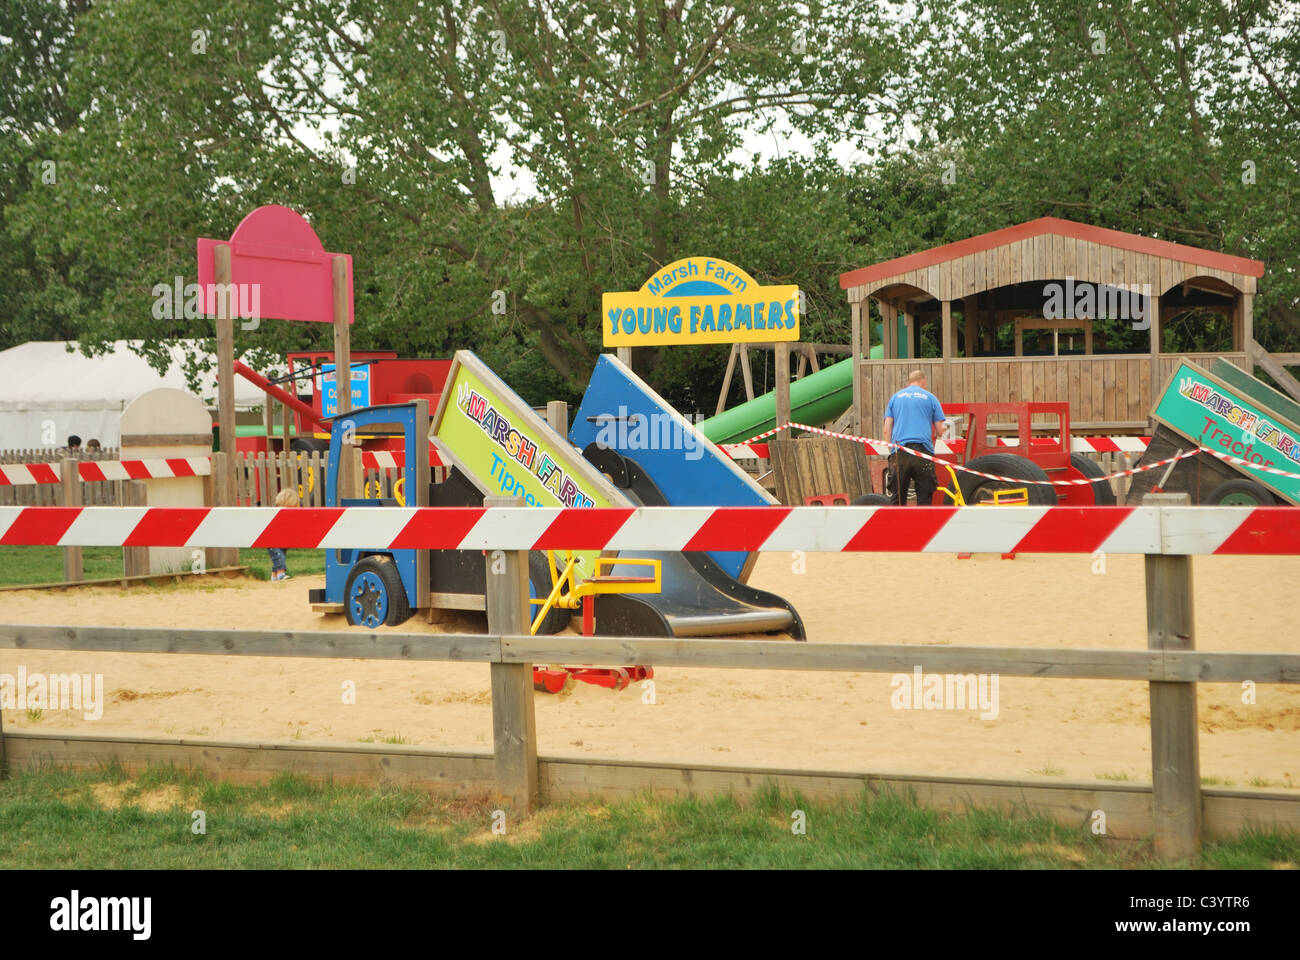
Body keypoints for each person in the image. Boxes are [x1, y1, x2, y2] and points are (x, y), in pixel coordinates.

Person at [882, 371, 946, 506]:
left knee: (898, 497)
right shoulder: (930, 398)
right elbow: (941, 430)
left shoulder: (895, 398)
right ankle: (923, 526)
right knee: (925, 496)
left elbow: (887, 428)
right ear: (924, 382)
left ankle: (897, 526)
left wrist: (892, 450)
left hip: (900, 451)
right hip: (922, 452)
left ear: (909, 383)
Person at [268, 487, 300, 580]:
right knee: (278, 556)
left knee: (279, 557)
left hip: (283, 540)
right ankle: (281, 574)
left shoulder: (292, 513)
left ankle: (274, 576)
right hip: (272, 540)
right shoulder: (276, 513)